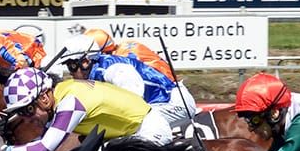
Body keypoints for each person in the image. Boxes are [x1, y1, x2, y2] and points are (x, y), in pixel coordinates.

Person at [0, 67, 174, 151]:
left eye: (27, 110)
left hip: (149, 131)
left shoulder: (70, 102)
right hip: (131, 133)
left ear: (44, 98)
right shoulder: (61, 94)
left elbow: (42, 149)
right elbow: (39, 142)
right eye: (21, 113)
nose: (27, 119)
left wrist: (4, 150)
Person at [53, 34, 198, 125]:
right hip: (157, 102)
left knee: (129, 130)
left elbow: (134, 106)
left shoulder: (113, 70)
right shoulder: (95, 70)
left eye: (72, 66)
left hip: (174, 102)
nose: (71, 73)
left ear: (86, 62)